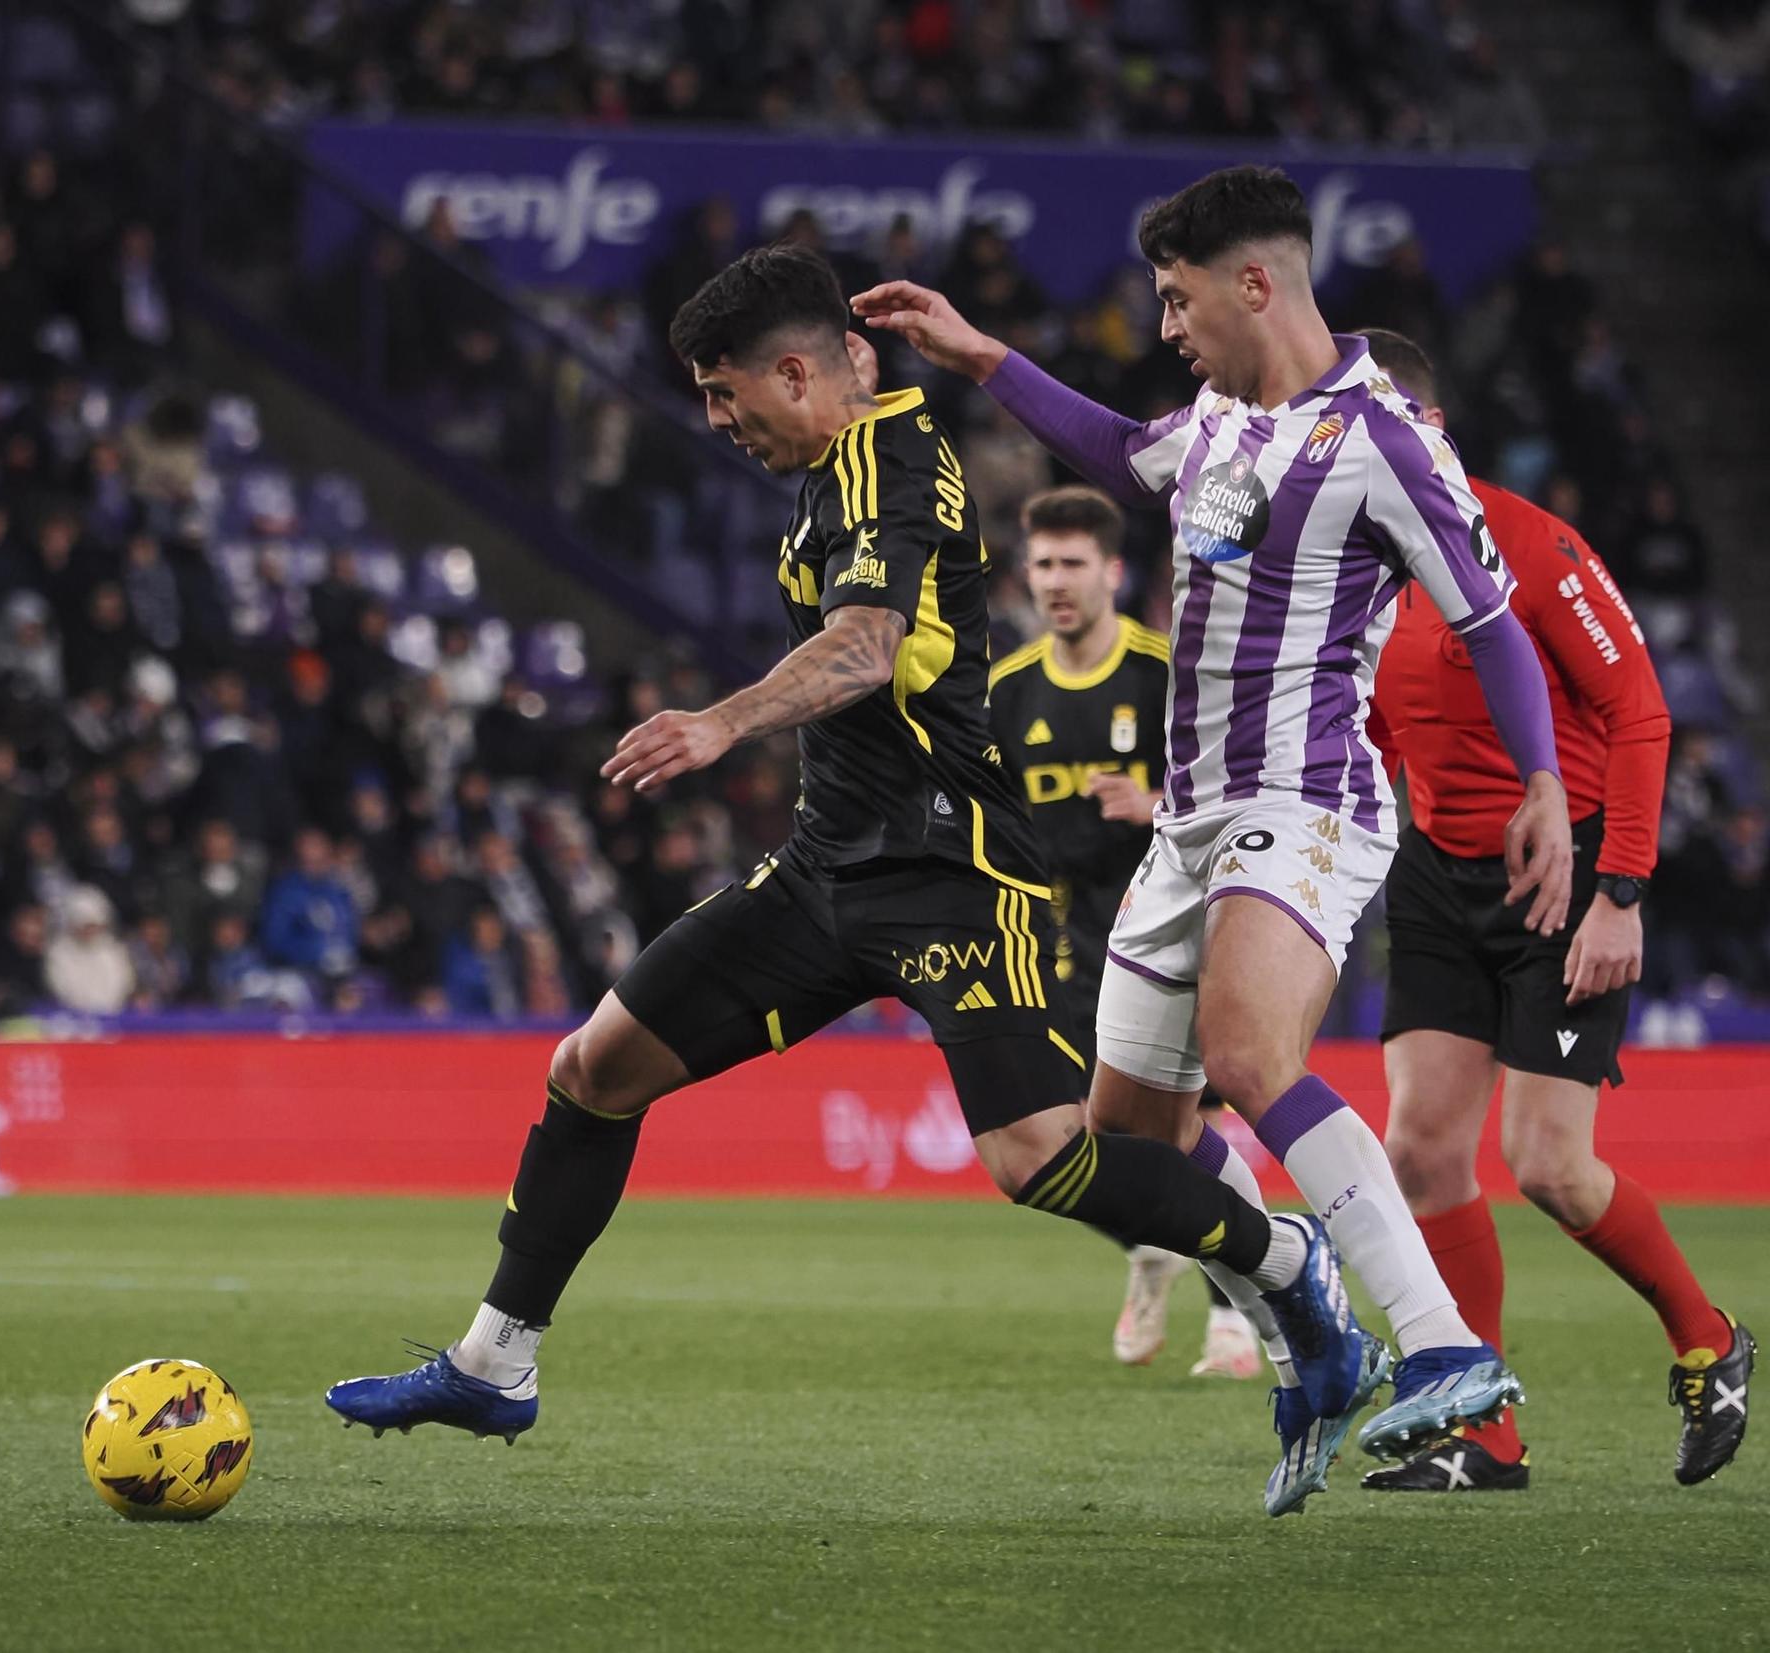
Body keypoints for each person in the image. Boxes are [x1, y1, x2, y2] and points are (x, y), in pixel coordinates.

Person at [326, 243, 1376, 1513]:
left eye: (726, 395)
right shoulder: (830, 468)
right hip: (826, 870)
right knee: (591, 1071)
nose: (720, 423)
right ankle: (495, 1364)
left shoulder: (886, 463)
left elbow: (866, 649)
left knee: (1042, 1158)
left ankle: (1282, 1254)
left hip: (950, 869)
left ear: (797, 372)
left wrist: (720, 721)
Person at [854, 164, 1573, 1514]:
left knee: (1251, 1055)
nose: (1168, 327)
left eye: (1180, 301)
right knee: (1124, 1152)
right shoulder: (1220, 426)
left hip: (1306, 802)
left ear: (1256, 282)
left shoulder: (1386, 436)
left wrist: (1541, 777)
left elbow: (1486, 618)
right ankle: (1304, 1296)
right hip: (1186, 828)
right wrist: (982, 354)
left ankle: (1446, 1350)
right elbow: (1121, 450)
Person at [1354, 328, 1754, 1493]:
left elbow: (1637, 713)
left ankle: (1705, 1338)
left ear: (1417, 427)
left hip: (1561, 874)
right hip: (1433, 871)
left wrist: (1619, 892)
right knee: (1420, 1150)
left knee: (1547, 1166)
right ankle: (1482, 1433)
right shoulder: (1359, 565)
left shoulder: (1529, 545)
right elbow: (1378, 727)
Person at [987, 484, 1256, 1379]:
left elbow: (1240, 793)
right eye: (1042, 565)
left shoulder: (1162, 675)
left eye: (1073, 564)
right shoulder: (1006, 692)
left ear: (1112, 570)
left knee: (1189, 1124)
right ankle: (1149, 1250)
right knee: (1063, 1144)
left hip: (1168, 933)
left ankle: (1234, 1320)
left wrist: (1157, 806)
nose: (1056, 582)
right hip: (1057, 948)